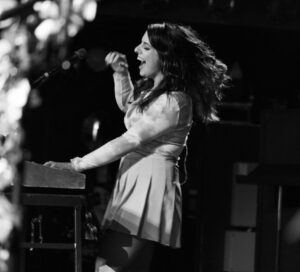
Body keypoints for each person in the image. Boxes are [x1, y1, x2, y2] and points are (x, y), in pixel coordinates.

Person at [45, 22, 229, 272]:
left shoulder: (174, 101)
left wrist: (76, 164)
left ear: (165, 57)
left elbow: (130, 139)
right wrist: (121, 73)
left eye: (145, 47)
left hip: (148, 186)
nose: (136, 51)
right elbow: (129, 109)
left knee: (107, 268)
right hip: (136, 181)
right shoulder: (155, 93)